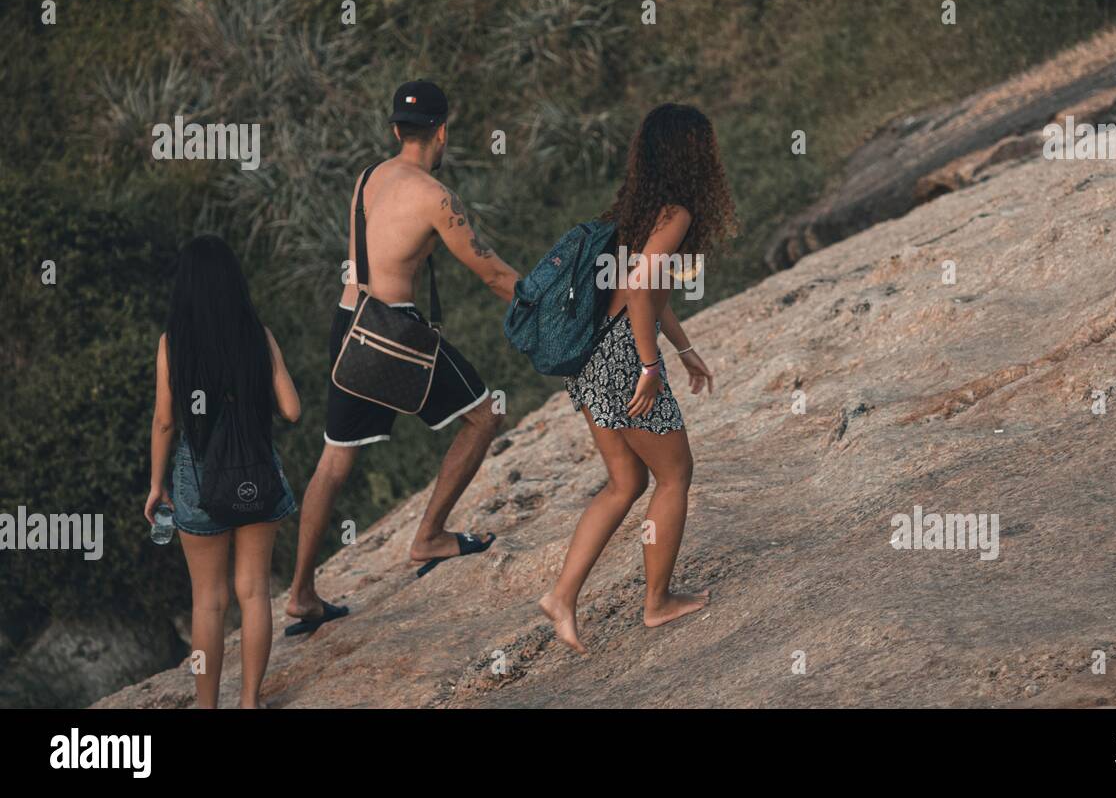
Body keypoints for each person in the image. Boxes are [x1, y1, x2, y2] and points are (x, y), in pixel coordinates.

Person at [284, 79, 520, 634]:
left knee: (334, 460)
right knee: (485, 417)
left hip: (351, 326)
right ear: (443, 131)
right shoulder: (436, 197)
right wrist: (556, 304)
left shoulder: (367, 178)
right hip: (393, 334)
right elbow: (491, 274)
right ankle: (430, 536)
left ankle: (299, 595)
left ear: (395, 130)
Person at [539, 103, 739, 653]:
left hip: (590, 358)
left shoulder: (637, 208)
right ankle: (657, 603)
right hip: (626, 357)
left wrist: (685, 348)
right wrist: (652, 364)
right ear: (693, 154)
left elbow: (644, 285)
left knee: (625, 482)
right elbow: (641, 282)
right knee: (675, 475)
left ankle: (562, 596)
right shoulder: (675, 212)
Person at [144, 235, 301, 708]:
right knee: (254, 594)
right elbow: (292, 410)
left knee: (207, 603)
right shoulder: (258, 334)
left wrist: (156, 485)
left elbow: (166, 420)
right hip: (256, 470)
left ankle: (207, 706)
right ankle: (250, 702)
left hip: (198, 478)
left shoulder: (173, 344)